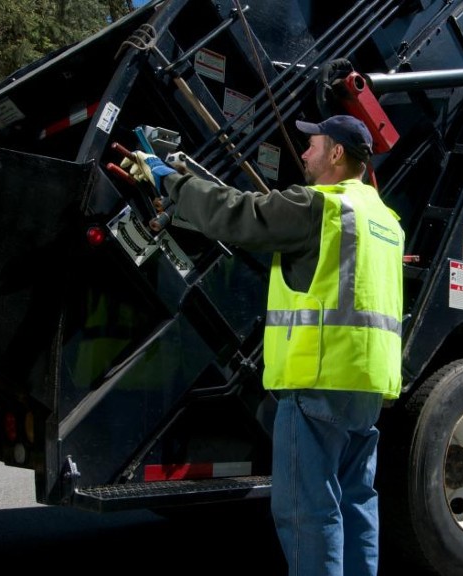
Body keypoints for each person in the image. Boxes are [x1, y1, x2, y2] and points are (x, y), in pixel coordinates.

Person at [123, 115, 404, 574]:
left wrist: (169, 179)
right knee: (355, 504)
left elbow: (241, 215)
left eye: (312, 145)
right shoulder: (386, 221)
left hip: (317, 380)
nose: (305, 155)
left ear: (336, 153)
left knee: (308, 512)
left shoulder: (320, 207)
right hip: (367, 385)